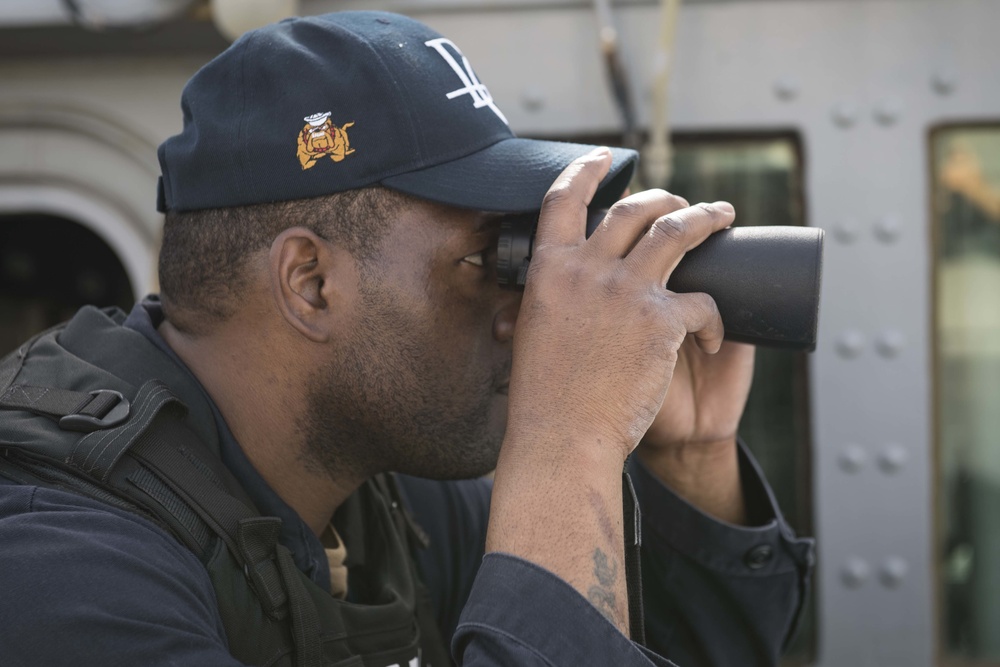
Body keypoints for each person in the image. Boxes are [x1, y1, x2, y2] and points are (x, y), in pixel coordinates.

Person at [0, 11, 813, 667]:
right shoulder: (61, 572)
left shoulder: (386, 495)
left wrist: (687, 455)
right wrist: (568, 442)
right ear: (311, 283)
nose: (527, 310)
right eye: (493, 261)